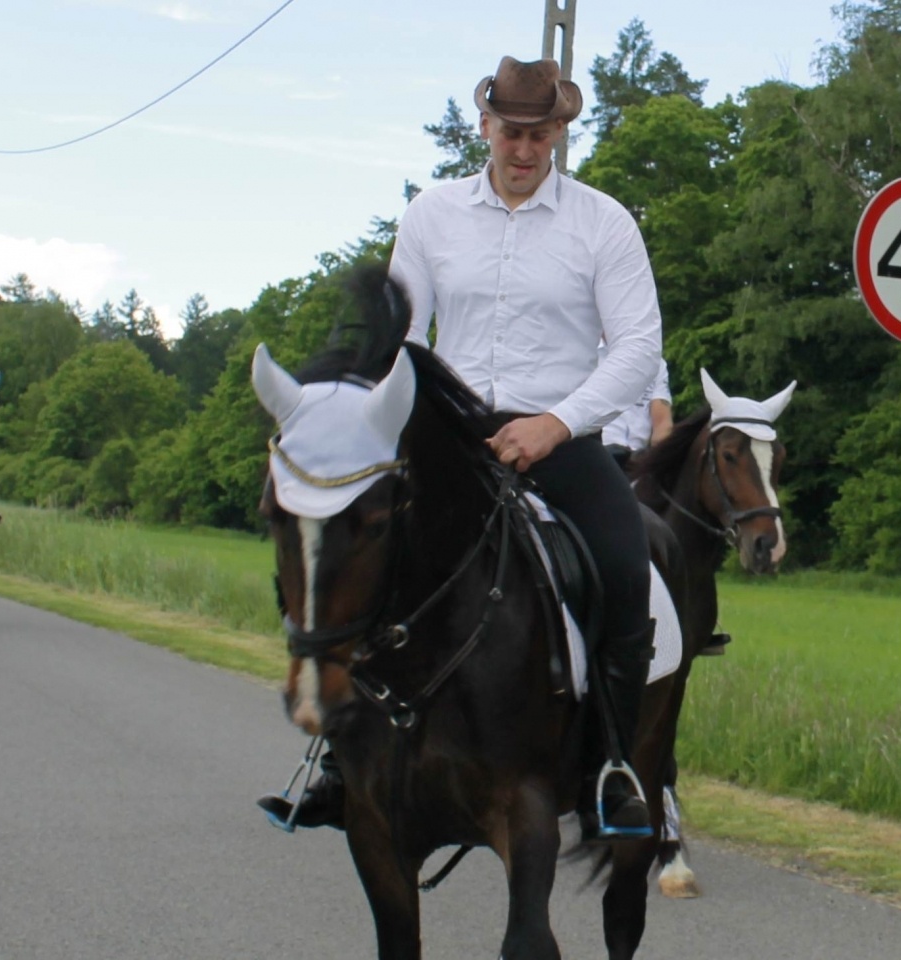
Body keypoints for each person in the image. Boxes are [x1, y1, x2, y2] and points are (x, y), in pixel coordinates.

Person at [264, 56, 663, 841]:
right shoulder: (432, 215)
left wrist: (554, 423)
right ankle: (342, 761)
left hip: (558, 436)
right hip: (448, 436)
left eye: (540, 134)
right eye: (512, 132)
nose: (524, 149)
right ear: (485, 126)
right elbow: (404, 339)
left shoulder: (603, 222)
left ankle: (615, 764)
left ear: (560, 132)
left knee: (625, 571)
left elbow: (639, 348)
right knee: (352, 556)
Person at [600, 343, 673, 467]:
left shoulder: (655, 363)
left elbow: (662, 424)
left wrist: (658, 460)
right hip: (600, 456)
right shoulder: (587, 355)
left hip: (638, 459)